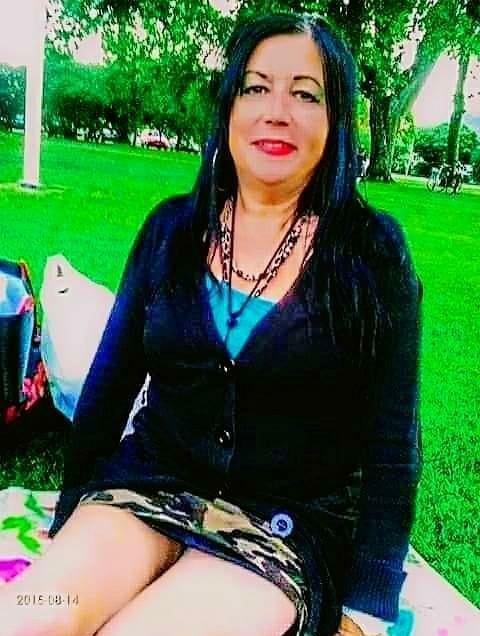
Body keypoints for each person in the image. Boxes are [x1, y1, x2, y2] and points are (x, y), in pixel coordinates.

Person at [0, 12, 422, 636]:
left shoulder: (373, 254)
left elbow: (393, 443)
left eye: (305, 94)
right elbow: (108, 389)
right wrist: (69, 521)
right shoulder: (171, 230)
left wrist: (368, 605)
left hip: (280, 530)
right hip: (144, 490)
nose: (276, 112)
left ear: (336, 122)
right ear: (228, 107)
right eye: (256, 87)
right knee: (27, 617)